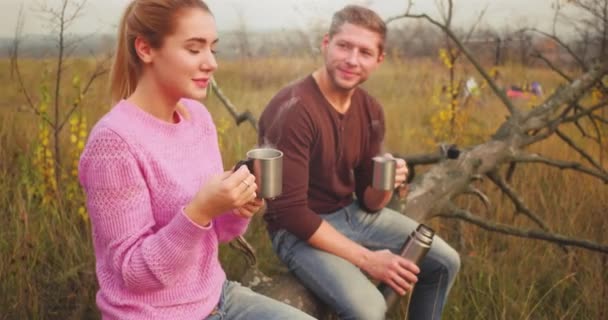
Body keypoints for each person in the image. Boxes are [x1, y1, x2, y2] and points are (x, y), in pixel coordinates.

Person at [78, 1, 315, 319]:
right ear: (146, 49)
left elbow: (217, 233)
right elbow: (132, 274)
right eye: (194, 49)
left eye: (212, 49)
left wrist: (235, 208)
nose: (211, 63)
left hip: (217, 297)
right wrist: (200, 210)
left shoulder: (197, 119)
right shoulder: (114, 143)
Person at [258, 5, 461, 320]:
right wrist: (368, 260)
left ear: (378, 60)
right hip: (296, 230)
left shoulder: (370, 110)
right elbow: (289, 212)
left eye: (365, 52)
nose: (352, 59)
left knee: (445, 261)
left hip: (351, 213)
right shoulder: (294, 109)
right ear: (326, 44)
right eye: (344, 46)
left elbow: (371, 203)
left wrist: (386, 182)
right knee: (369, 310)